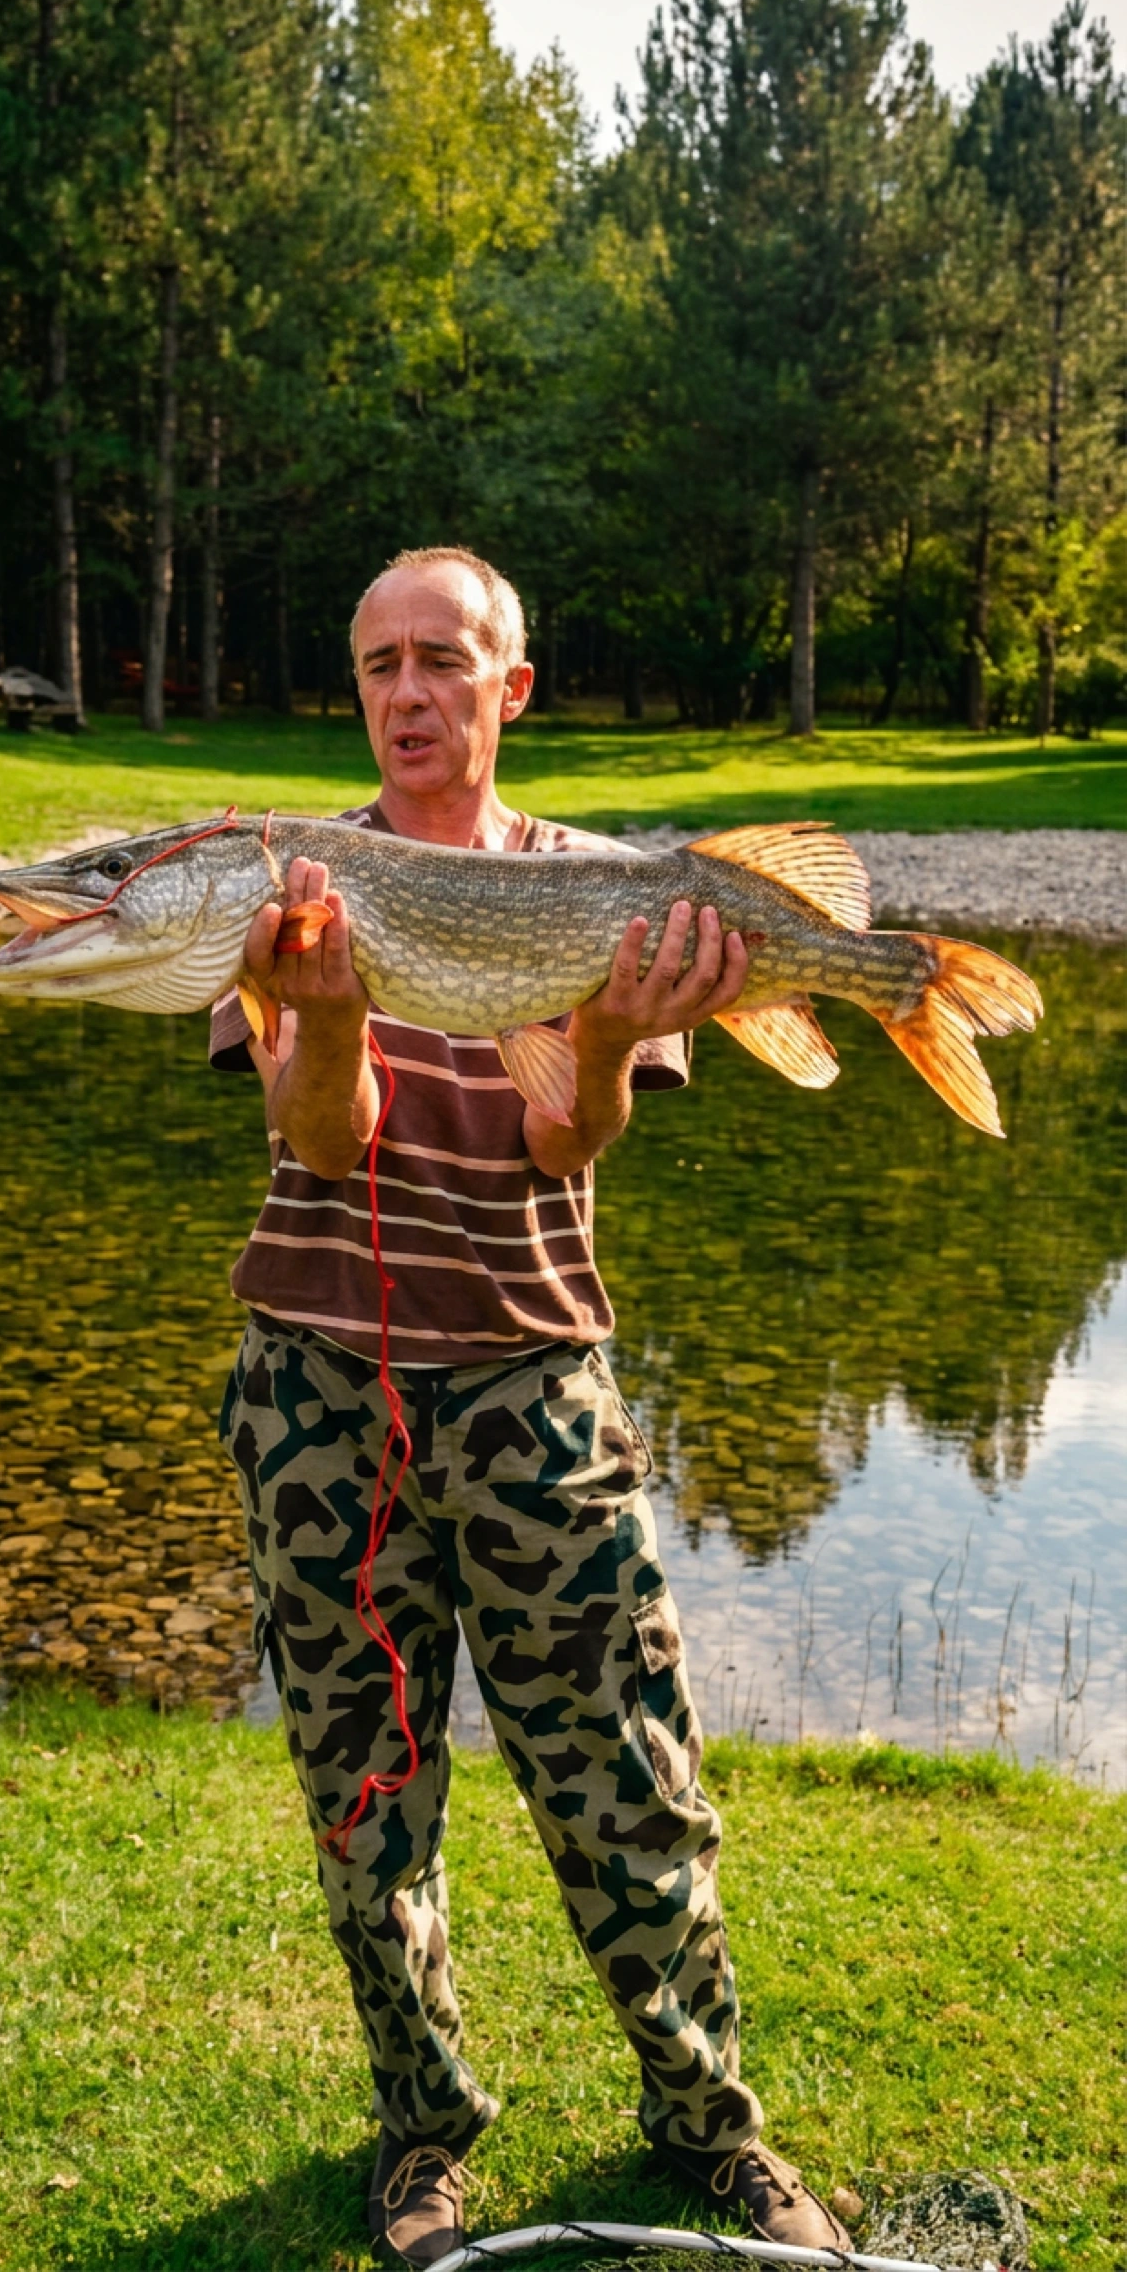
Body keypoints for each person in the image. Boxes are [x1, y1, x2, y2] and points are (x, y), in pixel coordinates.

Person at [212, 546, 852, 2270]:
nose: (406, 695)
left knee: (625, 1781)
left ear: (513, 687)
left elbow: (568, 1145)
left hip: (534, 1385)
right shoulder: (289, 891)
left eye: (442, 660)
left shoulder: (617, 896)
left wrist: (610, 1027)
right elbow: (318, 1143)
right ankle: (422, 2132)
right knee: (366, 1790)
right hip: (317, 1394)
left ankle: (714, 2127)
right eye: (375, 667)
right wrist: (325, 1015)